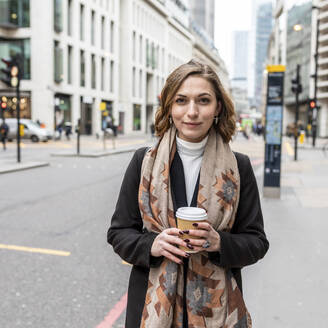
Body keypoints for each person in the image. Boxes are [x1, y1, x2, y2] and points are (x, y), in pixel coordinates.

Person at [107, 60, 268, 327]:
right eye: (181, 100)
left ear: (217, 107)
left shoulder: (239, 167)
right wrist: (152, 245)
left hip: (218, 311)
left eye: (203, 100)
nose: (191, 112)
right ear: (170, 107)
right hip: (151, 307)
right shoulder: (143, 162)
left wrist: (220, 244)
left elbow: (257, 242)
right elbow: (119, 232)